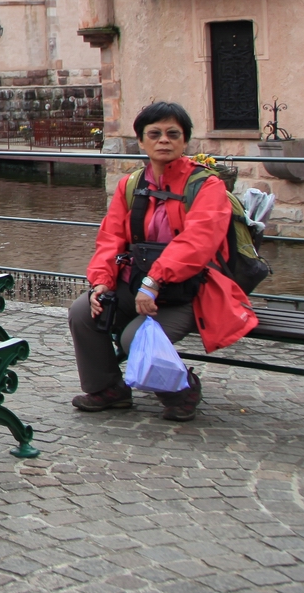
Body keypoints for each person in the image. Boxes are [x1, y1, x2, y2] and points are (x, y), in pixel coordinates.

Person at [69, 101, 256, 422]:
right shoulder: (131, 185)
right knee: (83, 312)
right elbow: (111, 237)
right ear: (141, 142)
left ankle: (182, 390)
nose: (164, 140)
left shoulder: (206, 186)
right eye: (154, 134)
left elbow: (197, 243)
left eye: (173, 134)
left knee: (135, 337)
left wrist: (154, 281)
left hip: (191, 291)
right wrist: (102, 281)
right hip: (138, 282)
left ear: (185, 141)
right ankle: (107, 388)